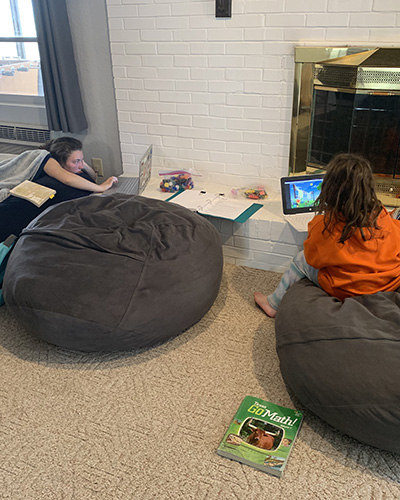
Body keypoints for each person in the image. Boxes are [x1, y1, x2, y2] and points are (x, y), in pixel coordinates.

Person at [254, 153, 400, 318]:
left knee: (301, 259)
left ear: (329, 189)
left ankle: (273, 304)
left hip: (348, 289)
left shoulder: (326, 227)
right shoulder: (383, 217)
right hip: (386, 284)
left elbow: (312, 257)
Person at [0, 137, 118, 241]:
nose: (81, 166)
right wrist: (101, 187)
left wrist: (80, 160)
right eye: (76, 161)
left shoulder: (67, 167)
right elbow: (67, 179)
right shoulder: (43, 157)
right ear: (59, 162)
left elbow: (92, 176)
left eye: (82, 160)